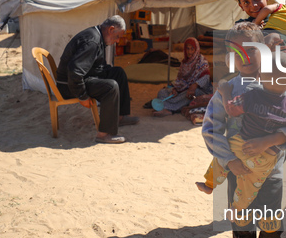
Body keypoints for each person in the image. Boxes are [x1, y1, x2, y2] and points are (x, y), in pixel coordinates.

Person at [201, 22, 286, 238]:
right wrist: (229, 160)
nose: (243, 56)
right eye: (235, 50)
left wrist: (271, 140)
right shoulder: (228, 90)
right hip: (239, 171)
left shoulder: (278, 83)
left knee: (271, 227)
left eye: (250, 49)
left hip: (271, 172)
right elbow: (210, 129)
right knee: (242, 225)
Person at [196, 53, 286, 198]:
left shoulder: (251, 96)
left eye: (250, 50)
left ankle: (210, 185)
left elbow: (230, 109)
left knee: (220, 161)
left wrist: (225, 92)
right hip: (268, 163)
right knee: (250, 191)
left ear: (261, 75)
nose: (245, 57)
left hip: (240, 150)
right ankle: (238, 208)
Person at [56, 15, 139, 144]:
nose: (117, 41)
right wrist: (82, 96)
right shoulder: (93, 41)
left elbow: (97, 66)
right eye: (117, 36)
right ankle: (103, 134)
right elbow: (75, 71)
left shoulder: (98, 35)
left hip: (81, 78)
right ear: (111, 29)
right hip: (69, 86)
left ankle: (119, 117)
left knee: (118, 73)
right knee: (111, 87)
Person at [147, 37, 213, 117]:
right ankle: (165, 106)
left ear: (196, 49)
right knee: (162, 92)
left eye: (192, 49)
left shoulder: (202, 61)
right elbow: (180, 80)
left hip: (199, 90)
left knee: (190, 94)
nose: (189, 52)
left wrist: (195, 85)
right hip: (184, 89)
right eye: (187, 49)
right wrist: (175, 89)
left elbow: (206, 78)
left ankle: (169, 109)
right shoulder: (184, 63)